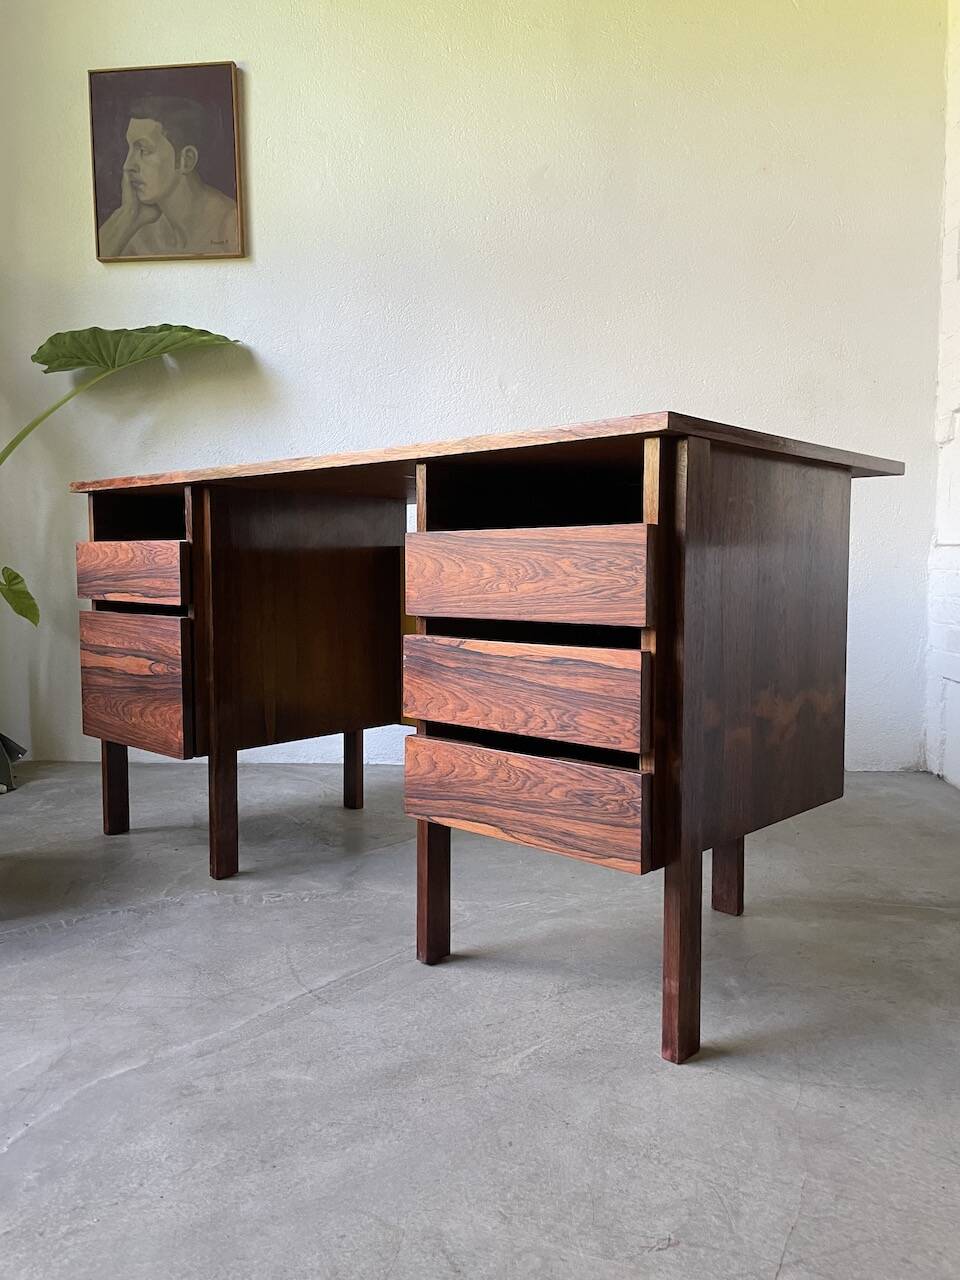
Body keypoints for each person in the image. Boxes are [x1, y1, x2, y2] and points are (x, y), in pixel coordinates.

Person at [98, 96, 239, 258]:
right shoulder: (138, 230)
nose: (128, 165)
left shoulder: (231, 226)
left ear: (187, 160)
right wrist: (126, 215)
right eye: (130, 149)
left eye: (143, 150)